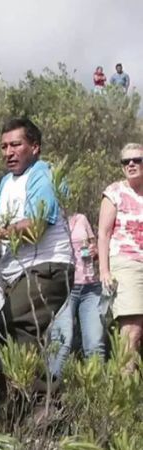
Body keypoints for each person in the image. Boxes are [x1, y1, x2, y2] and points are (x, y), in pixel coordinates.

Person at [0, 119, 73, 362]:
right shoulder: (6, 182)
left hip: (46, 266)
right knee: (13, 332)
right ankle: (32, 397)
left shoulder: (43, 174)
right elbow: (3, 229)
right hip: (21, 272)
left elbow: (35, 228)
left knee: (14, 326)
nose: (8, 152)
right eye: (4, 147)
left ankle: (36, 399)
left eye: (16, 145)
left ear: (34, 147)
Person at [98, 143, 143, 370]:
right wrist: (104, 271)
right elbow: (103, 234)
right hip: (126, 263)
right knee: (131, 330)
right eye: (126, 161)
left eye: (137, 160)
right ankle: (126, 397)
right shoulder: (114, 192)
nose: (131, 164)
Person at [48, 213, 105, 379]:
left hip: (90, 288)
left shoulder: (81, 218)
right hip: (65, 287)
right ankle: (51, 395)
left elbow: (94, 244)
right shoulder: (49, 220)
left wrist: (95, 251)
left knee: (95, 344)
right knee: (61, 341)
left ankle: (98, 397)